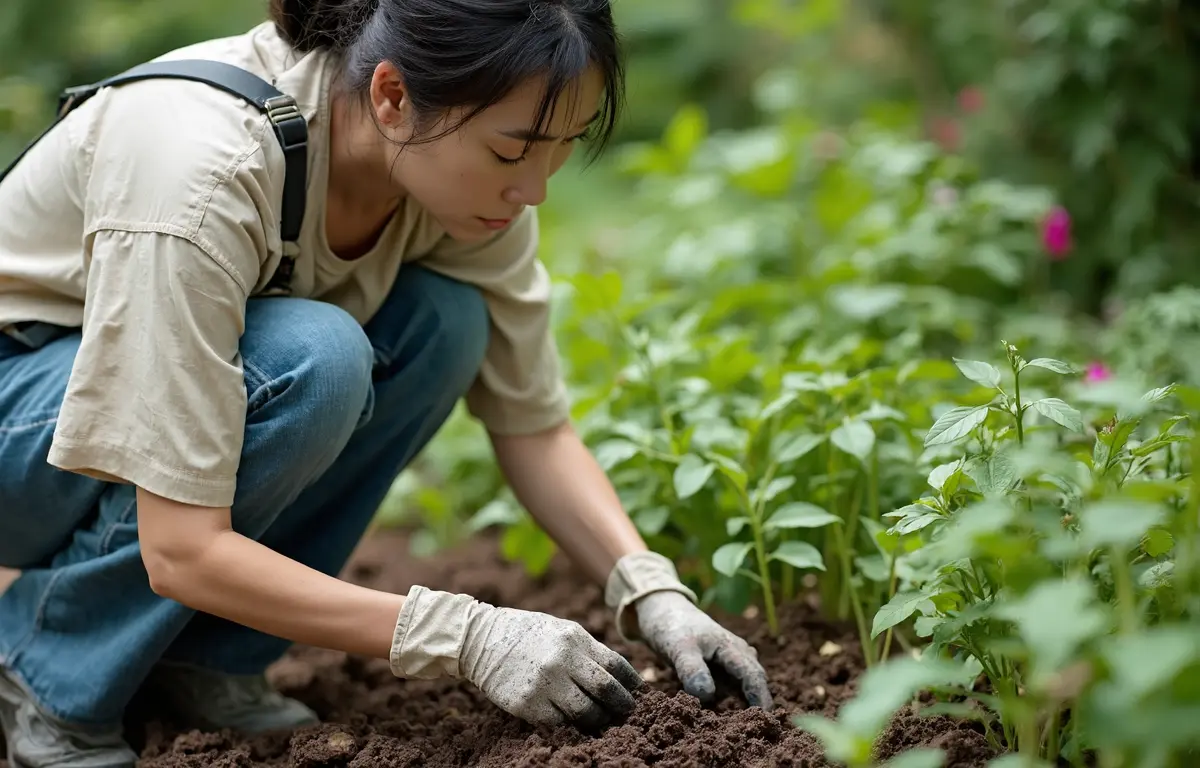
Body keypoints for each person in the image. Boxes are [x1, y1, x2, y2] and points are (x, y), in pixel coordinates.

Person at [0, 1, 773, 766]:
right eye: (513, 151)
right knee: (317, 359)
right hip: (21, 421)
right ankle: (46, 671)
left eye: (563, 146)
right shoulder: (204, 171)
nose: (535, 189)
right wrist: (465, 637)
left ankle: (205, 661)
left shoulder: (458, 190)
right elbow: (182, 550)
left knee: (447, 324)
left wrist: (651, 591)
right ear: (393, 96)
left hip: (85, 419)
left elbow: (533, 427)